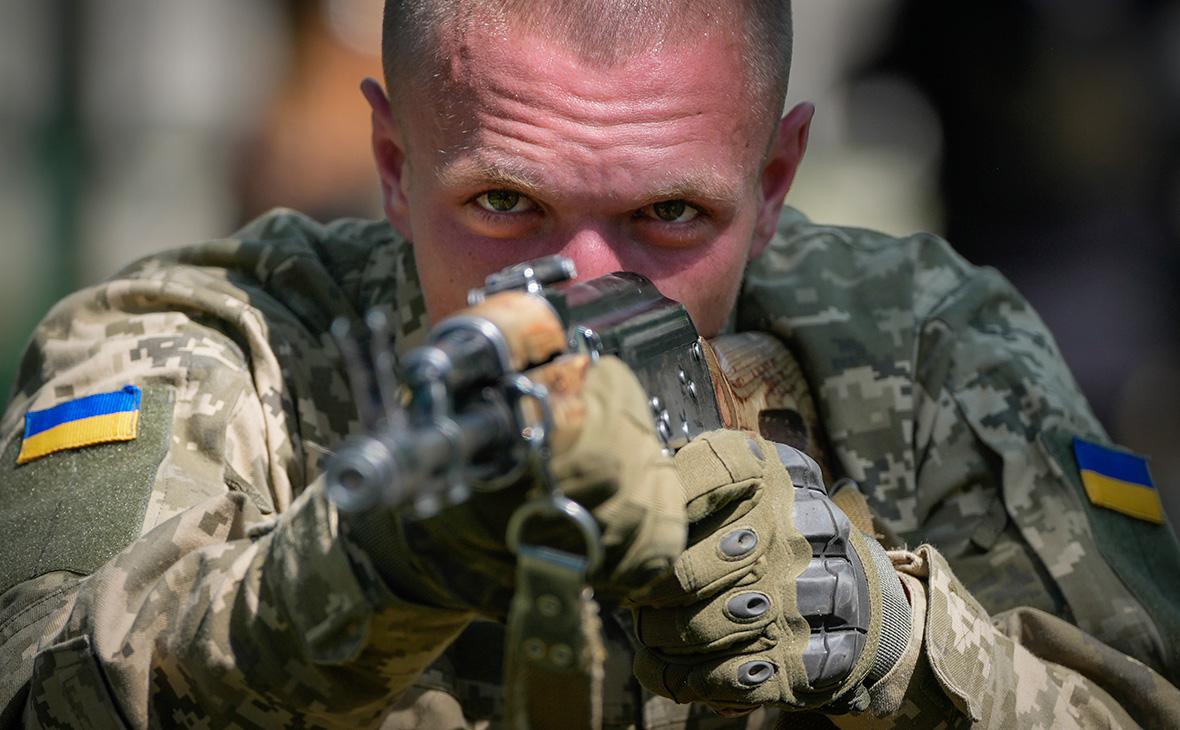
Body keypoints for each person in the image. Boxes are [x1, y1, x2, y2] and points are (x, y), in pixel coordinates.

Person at [1, 1, 1178, 727]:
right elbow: (47, 692)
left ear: (773, 185)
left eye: (669, 213)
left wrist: (884, 638)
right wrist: (380, 558)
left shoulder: (921, 347)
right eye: (505, 202)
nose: (576, 283)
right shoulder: (212, 339)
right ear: (392, 161)